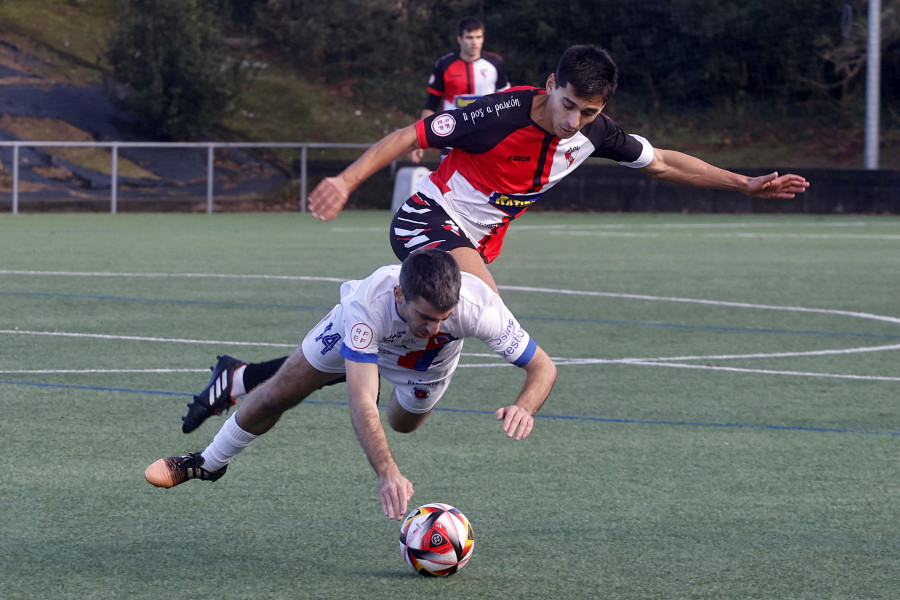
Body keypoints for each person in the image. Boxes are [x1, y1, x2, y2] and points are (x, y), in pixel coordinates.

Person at [309, 44, 810, 294]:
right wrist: (345, 179)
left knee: (410, 408)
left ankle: (360, 319)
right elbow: (408, 136)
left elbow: (662, 163)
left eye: (587, 112)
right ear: (551, 83)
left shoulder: (596, 132)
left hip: (482, 243)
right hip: (430, 216)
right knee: (490, 310)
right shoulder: (497, 114)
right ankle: (374, 302)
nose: (573, 122)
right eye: (567, 104)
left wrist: (744, 183)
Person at [146, 249, 558, 521]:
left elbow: (543, 369)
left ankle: (352, 366)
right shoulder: (367, 304)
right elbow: (363, 404)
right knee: (279, 392)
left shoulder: (478, 307)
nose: (435, 327)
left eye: (443, 318)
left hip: (425, 369)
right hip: (357, 334)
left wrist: (525, 405)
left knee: (403, 424)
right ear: (400, 293)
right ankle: (207, 462)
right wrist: (388, 472)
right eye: (425, 317)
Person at [410, 16, 510, 163]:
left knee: (485, 184)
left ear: (483, 38)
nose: (474, 42)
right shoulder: (444, 64)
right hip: (453, 134)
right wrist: (420, 140)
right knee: (449, 183)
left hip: (487, 134)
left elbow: (507, 102)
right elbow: (430, 105)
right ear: (459, 39)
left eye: (478, 37)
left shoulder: (495, 63)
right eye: (469, 37)